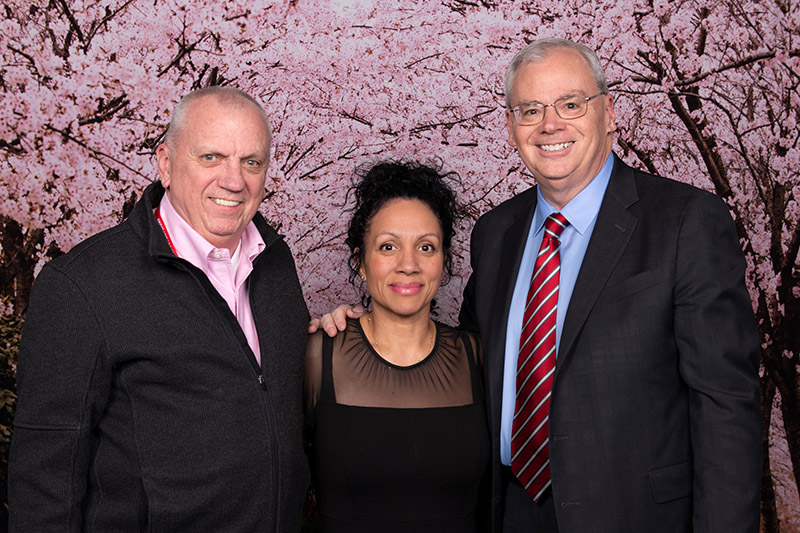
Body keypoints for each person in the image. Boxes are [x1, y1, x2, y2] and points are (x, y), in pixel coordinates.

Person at [313, 38, 762, 532]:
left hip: (631, 516)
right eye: (530, 110)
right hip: (509, 513)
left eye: (571, 104)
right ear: (510, 127)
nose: (551, 124)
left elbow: (726, 409)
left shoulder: (684, 223)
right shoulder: (497, 232)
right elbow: (466, 364)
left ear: (608, 113)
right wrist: (364, 328)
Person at [9, 87, 310, 531]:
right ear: (165, 164)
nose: (234, 180)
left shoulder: (276, 261)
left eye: (252, 162)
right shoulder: (82, 285)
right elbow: (44, 475)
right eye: (211, 157)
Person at [304, 160, 490, 532]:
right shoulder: (318, 354)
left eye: (426, 247)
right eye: (388, 246)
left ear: (444, 262)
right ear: (360, 262)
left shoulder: (477, 356)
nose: (409, 265)